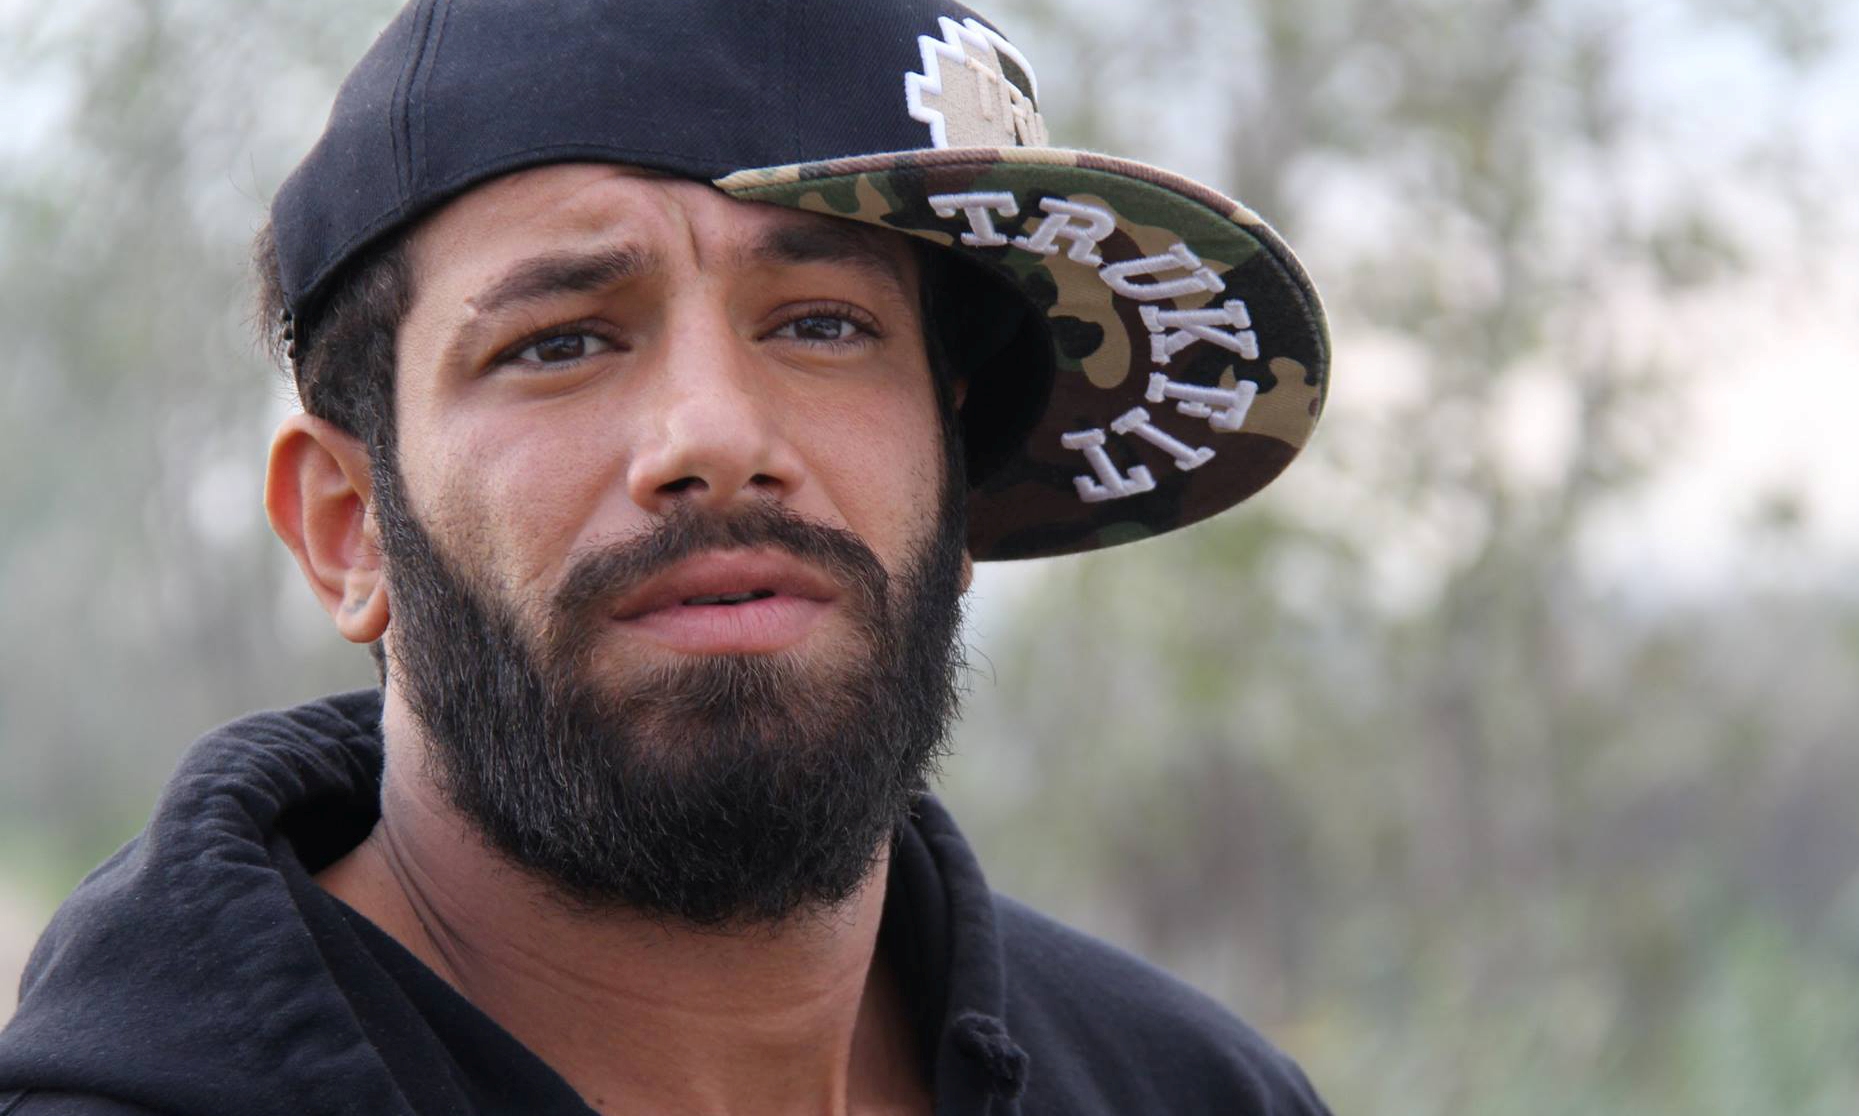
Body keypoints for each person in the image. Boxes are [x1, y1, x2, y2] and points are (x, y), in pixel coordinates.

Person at [0, 0, 1332, 1112]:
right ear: (351, 527)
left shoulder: (1193, 1090)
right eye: (562, 341)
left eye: (822, 323)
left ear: (959, 474)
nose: (717, 437)